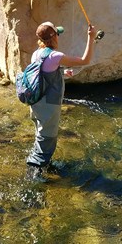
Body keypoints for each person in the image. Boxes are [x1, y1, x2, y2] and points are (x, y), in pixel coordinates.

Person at [26, 21, 97, 179]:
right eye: (57, 33)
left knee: (41, 136)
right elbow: (85, 60)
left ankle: (45, 165)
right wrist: (91, 38)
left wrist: (62, 73)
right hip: (48, 106)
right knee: (47, 138)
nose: (59, 36)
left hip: (36, 103)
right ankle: (33, 175)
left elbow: (43, 74)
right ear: (53, 37)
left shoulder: (37, 53)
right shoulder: (55, 56)